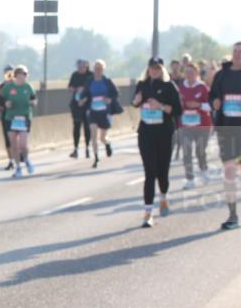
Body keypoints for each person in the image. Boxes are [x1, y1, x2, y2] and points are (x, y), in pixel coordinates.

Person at [132, 58, 182, 227]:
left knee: (162, 171)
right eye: (152, 68)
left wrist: (160, 106)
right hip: (146, 132)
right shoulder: (142, 84)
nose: (154, 71)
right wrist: (137, 100)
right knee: (149, 172)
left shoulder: (169, 86)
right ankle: (148, 213)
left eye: (157, 68)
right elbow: (134, 102)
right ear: (148, 69)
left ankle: (164, 197)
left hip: (164, 133)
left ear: (162, 69)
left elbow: (178, 110)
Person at [209, 42, 241, 230]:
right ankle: (233, 215)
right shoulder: (222, 75)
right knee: (229, 170)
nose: (237, 54)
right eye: (235, 51)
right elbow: (212, 96)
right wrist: (215, 102)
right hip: (227, 130)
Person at [178, 62, 212, 189]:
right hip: (185, 124)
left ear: (197, 73)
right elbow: (177, 105)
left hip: (202, 124)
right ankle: (189, 179)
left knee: (200, 151)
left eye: (191, 72)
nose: (189, 74)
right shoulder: (181, 88)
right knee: (186, 152)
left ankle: (204, 171)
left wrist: (198, 105)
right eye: (186, 72)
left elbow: (211, 106)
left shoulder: (203, 87)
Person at [83, 59, 120, 168]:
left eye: (100, 69)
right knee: (93, 135)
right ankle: (96, 158)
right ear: (93, 70)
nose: (98, 71)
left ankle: (107, 143)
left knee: (102, 138)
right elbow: (84, 93)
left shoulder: (107, 81)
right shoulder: (90, 81)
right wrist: (82, 99)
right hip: (93, 111)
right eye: (96, 69)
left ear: (103, 70)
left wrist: (109, 99)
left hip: (105, 112)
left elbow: (116, 93)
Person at [2, 65, 37, 177]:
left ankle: (26, 159)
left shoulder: (28, 87)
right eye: (23, 74)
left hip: (24, 118)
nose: (25, 77)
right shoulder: (8, 87)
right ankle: (18, 167)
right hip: (11, 118)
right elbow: (0, 101)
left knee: (23, 144)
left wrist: (33, 103)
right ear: (16, 75)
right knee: (14, 145)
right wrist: (6, 104)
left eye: (26, 75)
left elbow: (34, 99)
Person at [67, 59, 92, 158]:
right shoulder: (74, 75)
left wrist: (85, 93)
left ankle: (87, 148)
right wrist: (74, 89)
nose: (80, 68)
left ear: (86, 66)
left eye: (82, 66)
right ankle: (76, 149)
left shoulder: (91, 75)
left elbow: (93, 89)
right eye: (78, 67)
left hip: (88, 104)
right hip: (76, 105)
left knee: (87, 126)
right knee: (76, 126)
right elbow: (69, 88)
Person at [0, 65, 15, 170]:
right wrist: (4, 105)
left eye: (10, 72)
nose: (9, 74)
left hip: (17, 115)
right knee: (8, 139)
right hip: (6, 115)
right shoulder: (1, 87)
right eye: (6, 72)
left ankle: (19, 157)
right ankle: (11, 160)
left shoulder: (17, 85)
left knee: (18, 137)